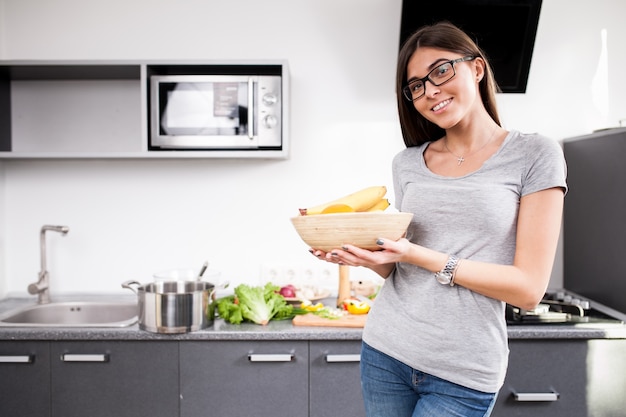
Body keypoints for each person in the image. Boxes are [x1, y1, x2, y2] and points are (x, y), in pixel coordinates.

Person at [309, 21, 567, 416]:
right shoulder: (408, 163)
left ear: (477, 69)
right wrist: (362, 254)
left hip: (464, 370)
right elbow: (400, 269)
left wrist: (419, 255)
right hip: (386, 351)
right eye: (416, 86)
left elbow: (529, 289)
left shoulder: (535, 154)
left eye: (441, 71)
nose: (430, 91)